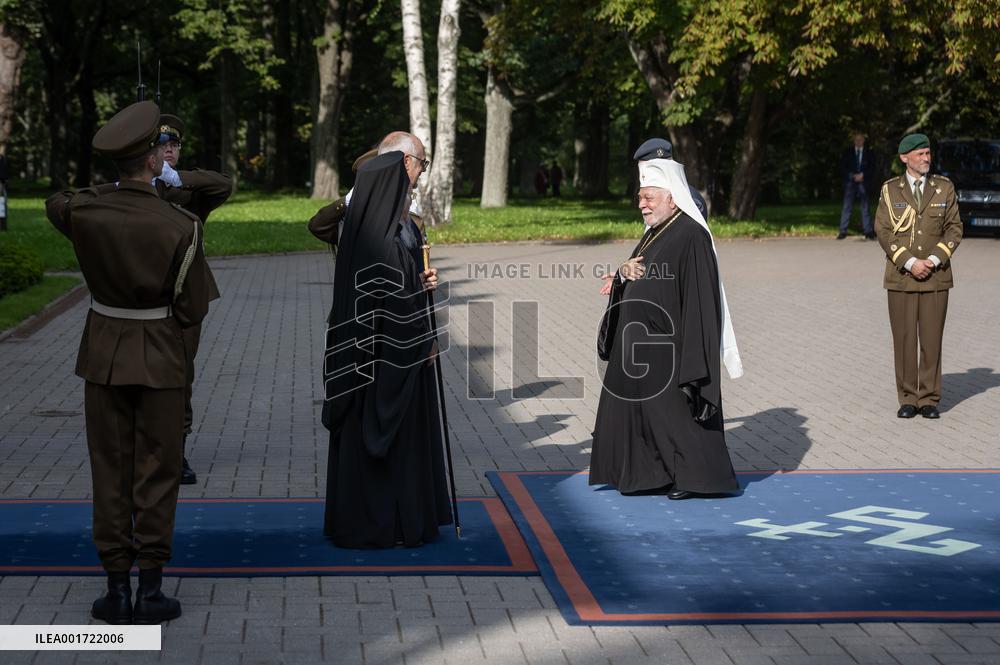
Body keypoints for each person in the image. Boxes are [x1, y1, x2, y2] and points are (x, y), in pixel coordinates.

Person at [44, 100, 211, 624]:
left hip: (103, 357)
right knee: (157, 472)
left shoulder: (84, 210)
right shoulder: (180, 223)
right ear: (152, 159)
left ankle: (116, 589)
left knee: (110, 470)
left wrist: (105, 190)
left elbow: (58, 202)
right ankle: (152, 590)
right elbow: (192, 307)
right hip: (161, 355)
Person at [322, 131, 452, 547]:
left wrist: (421, 282)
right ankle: (389, 523)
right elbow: (392, 303)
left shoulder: (379, 227)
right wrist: (424, 342)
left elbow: (397, 287)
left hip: (367, 355)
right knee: (384, 439)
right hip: (384, 358)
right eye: (417, 166)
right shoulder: (370, 230)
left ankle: (378, 520)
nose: (418, 176)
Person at [590, 156, 743, 499]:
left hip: (673, 348)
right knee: (641, 414)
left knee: (677, 417)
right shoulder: (656, 231)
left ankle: (697, 478)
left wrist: (694, 356)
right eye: (640, 197)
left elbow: (701, 299)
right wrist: (622, 275)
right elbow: (645, 273)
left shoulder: (691, 235)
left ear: (672, 198)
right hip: (642, 346)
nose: (641, 205)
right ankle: (649, 474)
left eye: (649, 198)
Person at [153, 113, 234, 485]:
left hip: (184, 297)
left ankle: (176, 452)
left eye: (174, 145)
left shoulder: (186, 190)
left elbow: (223, 185)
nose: (169, 149)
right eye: (160, 144)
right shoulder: (129, 188)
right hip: (142, 297)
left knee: (180, 375)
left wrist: (176, 178)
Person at [874, 133, 961, 419]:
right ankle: (908, 398)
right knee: (904, 339)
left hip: (936, 277)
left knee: (932, 339)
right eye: (920, 154)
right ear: (904, 158)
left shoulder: (944, 188)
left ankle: (929, 399)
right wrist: (910, 262)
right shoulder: (890, 190)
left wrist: (933, 260)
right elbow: (883, 231)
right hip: (901, 277)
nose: (926, 158)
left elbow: (954, 229)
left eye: (928, 153)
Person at [599, 138, 707, 296]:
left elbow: (678, 255)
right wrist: (621, 275)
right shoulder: (651, 198)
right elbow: (650, 249)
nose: (642, 205)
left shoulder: (688, 201)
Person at [838, 132, 877, 239]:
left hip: (864, 182)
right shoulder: (848, 153)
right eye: (856, 140)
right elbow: (842, 167)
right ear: (854, 141)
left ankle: (868, 231)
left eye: (860, 140)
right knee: (847, 206)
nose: (858, 142)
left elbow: (873, 167)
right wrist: (852, 175)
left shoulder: (869, 153)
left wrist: (863, 175)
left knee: (865, 206)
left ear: (863, 140)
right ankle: (843, 231)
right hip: (850, 183)